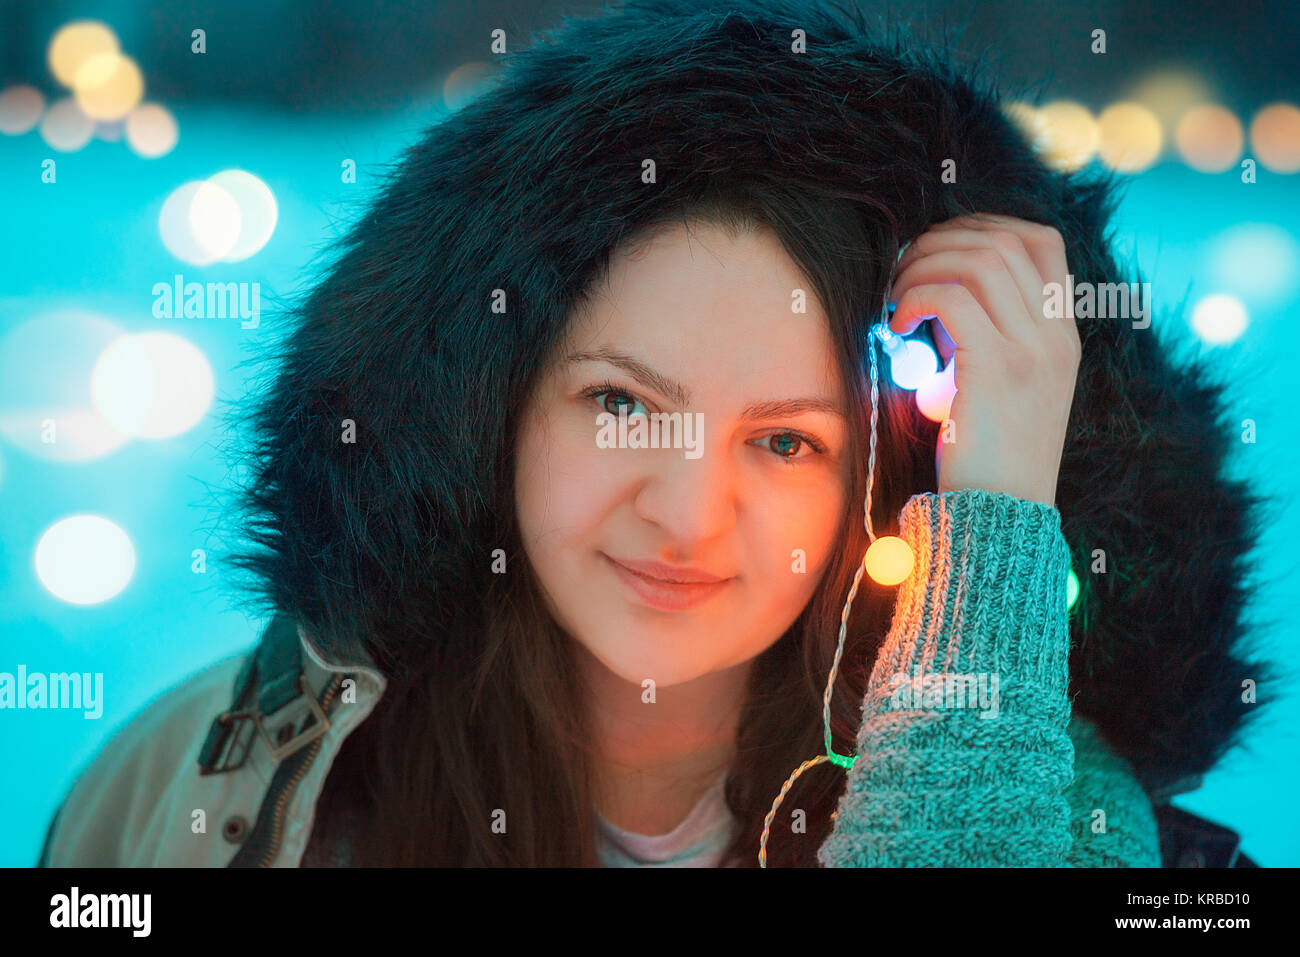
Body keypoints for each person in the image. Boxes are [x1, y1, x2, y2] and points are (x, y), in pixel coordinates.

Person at [38, 0, 1273, 867]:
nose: (685, 514)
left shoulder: (1064, 820)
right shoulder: (203, 792)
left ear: (890, 478)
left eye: (785, 442)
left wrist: (1000, 509)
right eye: (621, 403)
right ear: (486, 405)